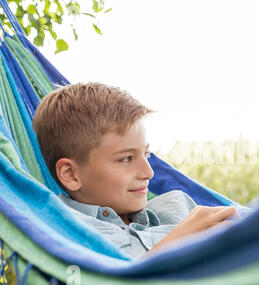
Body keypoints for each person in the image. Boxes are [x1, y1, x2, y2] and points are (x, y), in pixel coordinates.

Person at [32, 82, 244, 259]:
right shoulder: (60, 231)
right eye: (126, 158)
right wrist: (173, 246)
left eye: (147, 154)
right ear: (70, 174)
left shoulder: (178, 205)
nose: (149, 172)